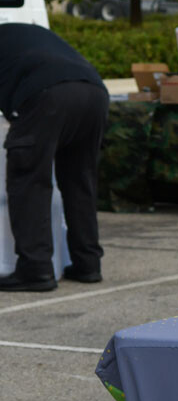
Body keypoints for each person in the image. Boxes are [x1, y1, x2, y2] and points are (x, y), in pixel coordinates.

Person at [0, 23, 108, 291]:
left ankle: (35, 269)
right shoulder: (17, 33)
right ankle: (87, 263)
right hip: (94, 92)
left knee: (28, 179)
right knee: (79, 180)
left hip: (48, 95)